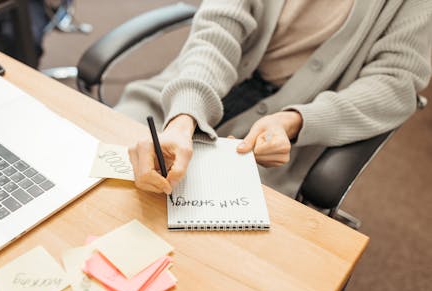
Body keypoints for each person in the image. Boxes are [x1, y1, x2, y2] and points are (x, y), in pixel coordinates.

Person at [115, 0, 432, 198]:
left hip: (279, 137)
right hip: (187, 90)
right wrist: (184, 115)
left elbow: (395, 82)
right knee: (107, 175)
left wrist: (295, 121)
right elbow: (217, 30)